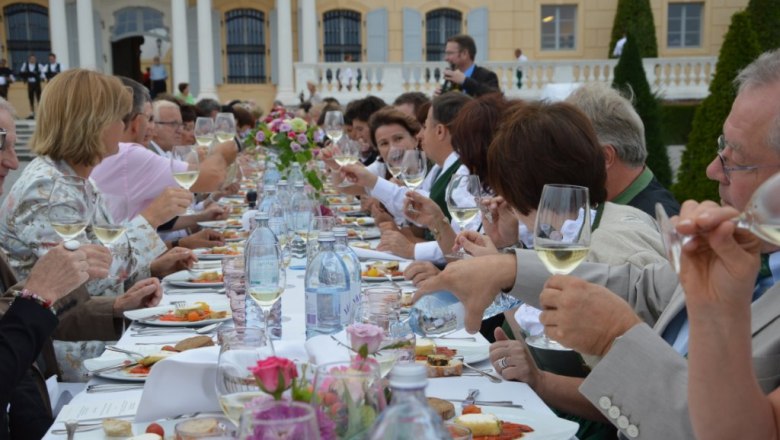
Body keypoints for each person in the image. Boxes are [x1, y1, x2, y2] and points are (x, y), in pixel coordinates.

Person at [414, 49, 780, 439]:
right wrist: (509, 268)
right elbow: (642, 285)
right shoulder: (748, 250)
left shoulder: (626, 228)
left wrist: (616, 338)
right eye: (720, 148)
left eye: (735, 159)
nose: (711, 170)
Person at [91, 77, 233, 250]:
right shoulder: (128, 155)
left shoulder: (116, 155)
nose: (152, 128)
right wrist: (225, 146)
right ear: (136, 122)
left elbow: (132, 237)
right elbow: (212, 177)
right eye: (150, 119)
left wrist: (181, 241)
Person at [342, 92, 472, 261]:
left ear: (440, 131)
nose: (420, 135)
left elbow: (464, 245)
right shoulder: (440, 168)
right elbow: (420, 210)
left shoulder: (464, 171)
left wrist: (412, 249)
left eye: (424, 127)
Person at [566, 82, 680, 217]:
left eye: (570, 154)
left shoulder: (653, 223)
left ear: (605, 157)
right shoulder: (623, 205)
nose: (563, 165)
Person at [18, 54, 43, 119]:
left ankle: (41, 113)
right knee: (31, 98)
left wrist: (40, 76)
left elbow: (43, 73)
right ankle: (32, 113)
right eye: (31, 59)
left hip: (37, 83)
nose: (33, 60)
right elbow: (21, 72)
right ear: (29, 59)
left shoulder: (39, 65)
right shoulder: (25, 65)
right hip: (30, 83)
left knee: (39, 98)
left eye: (34, 59)